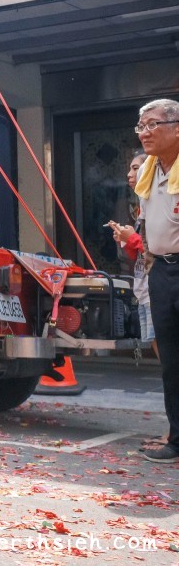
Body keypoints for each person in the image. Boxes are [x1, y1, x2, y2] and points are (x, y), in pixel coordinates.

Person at [109, 152, 167, 451]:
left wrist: (132, 239)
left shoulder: (161, 198)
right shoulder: (142, 204)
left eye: (136, 167)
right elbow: (141, 253)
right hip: (146, 288)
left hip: (159, 286)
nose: (131, 174)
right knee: (166, 361)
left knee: (170, 360)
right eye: (129, 169)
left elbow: (158, 245)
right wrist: (127, 240)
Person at [133, 99, 179, 463]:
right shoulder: (150, 171)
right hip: (162, 271)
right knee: (171, 361)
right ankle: (177, 440)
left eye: (152, 125)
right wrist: (151, 262)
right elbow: (149, 225)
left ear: (176, 127)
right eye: (141, 126)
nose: (144, 132)